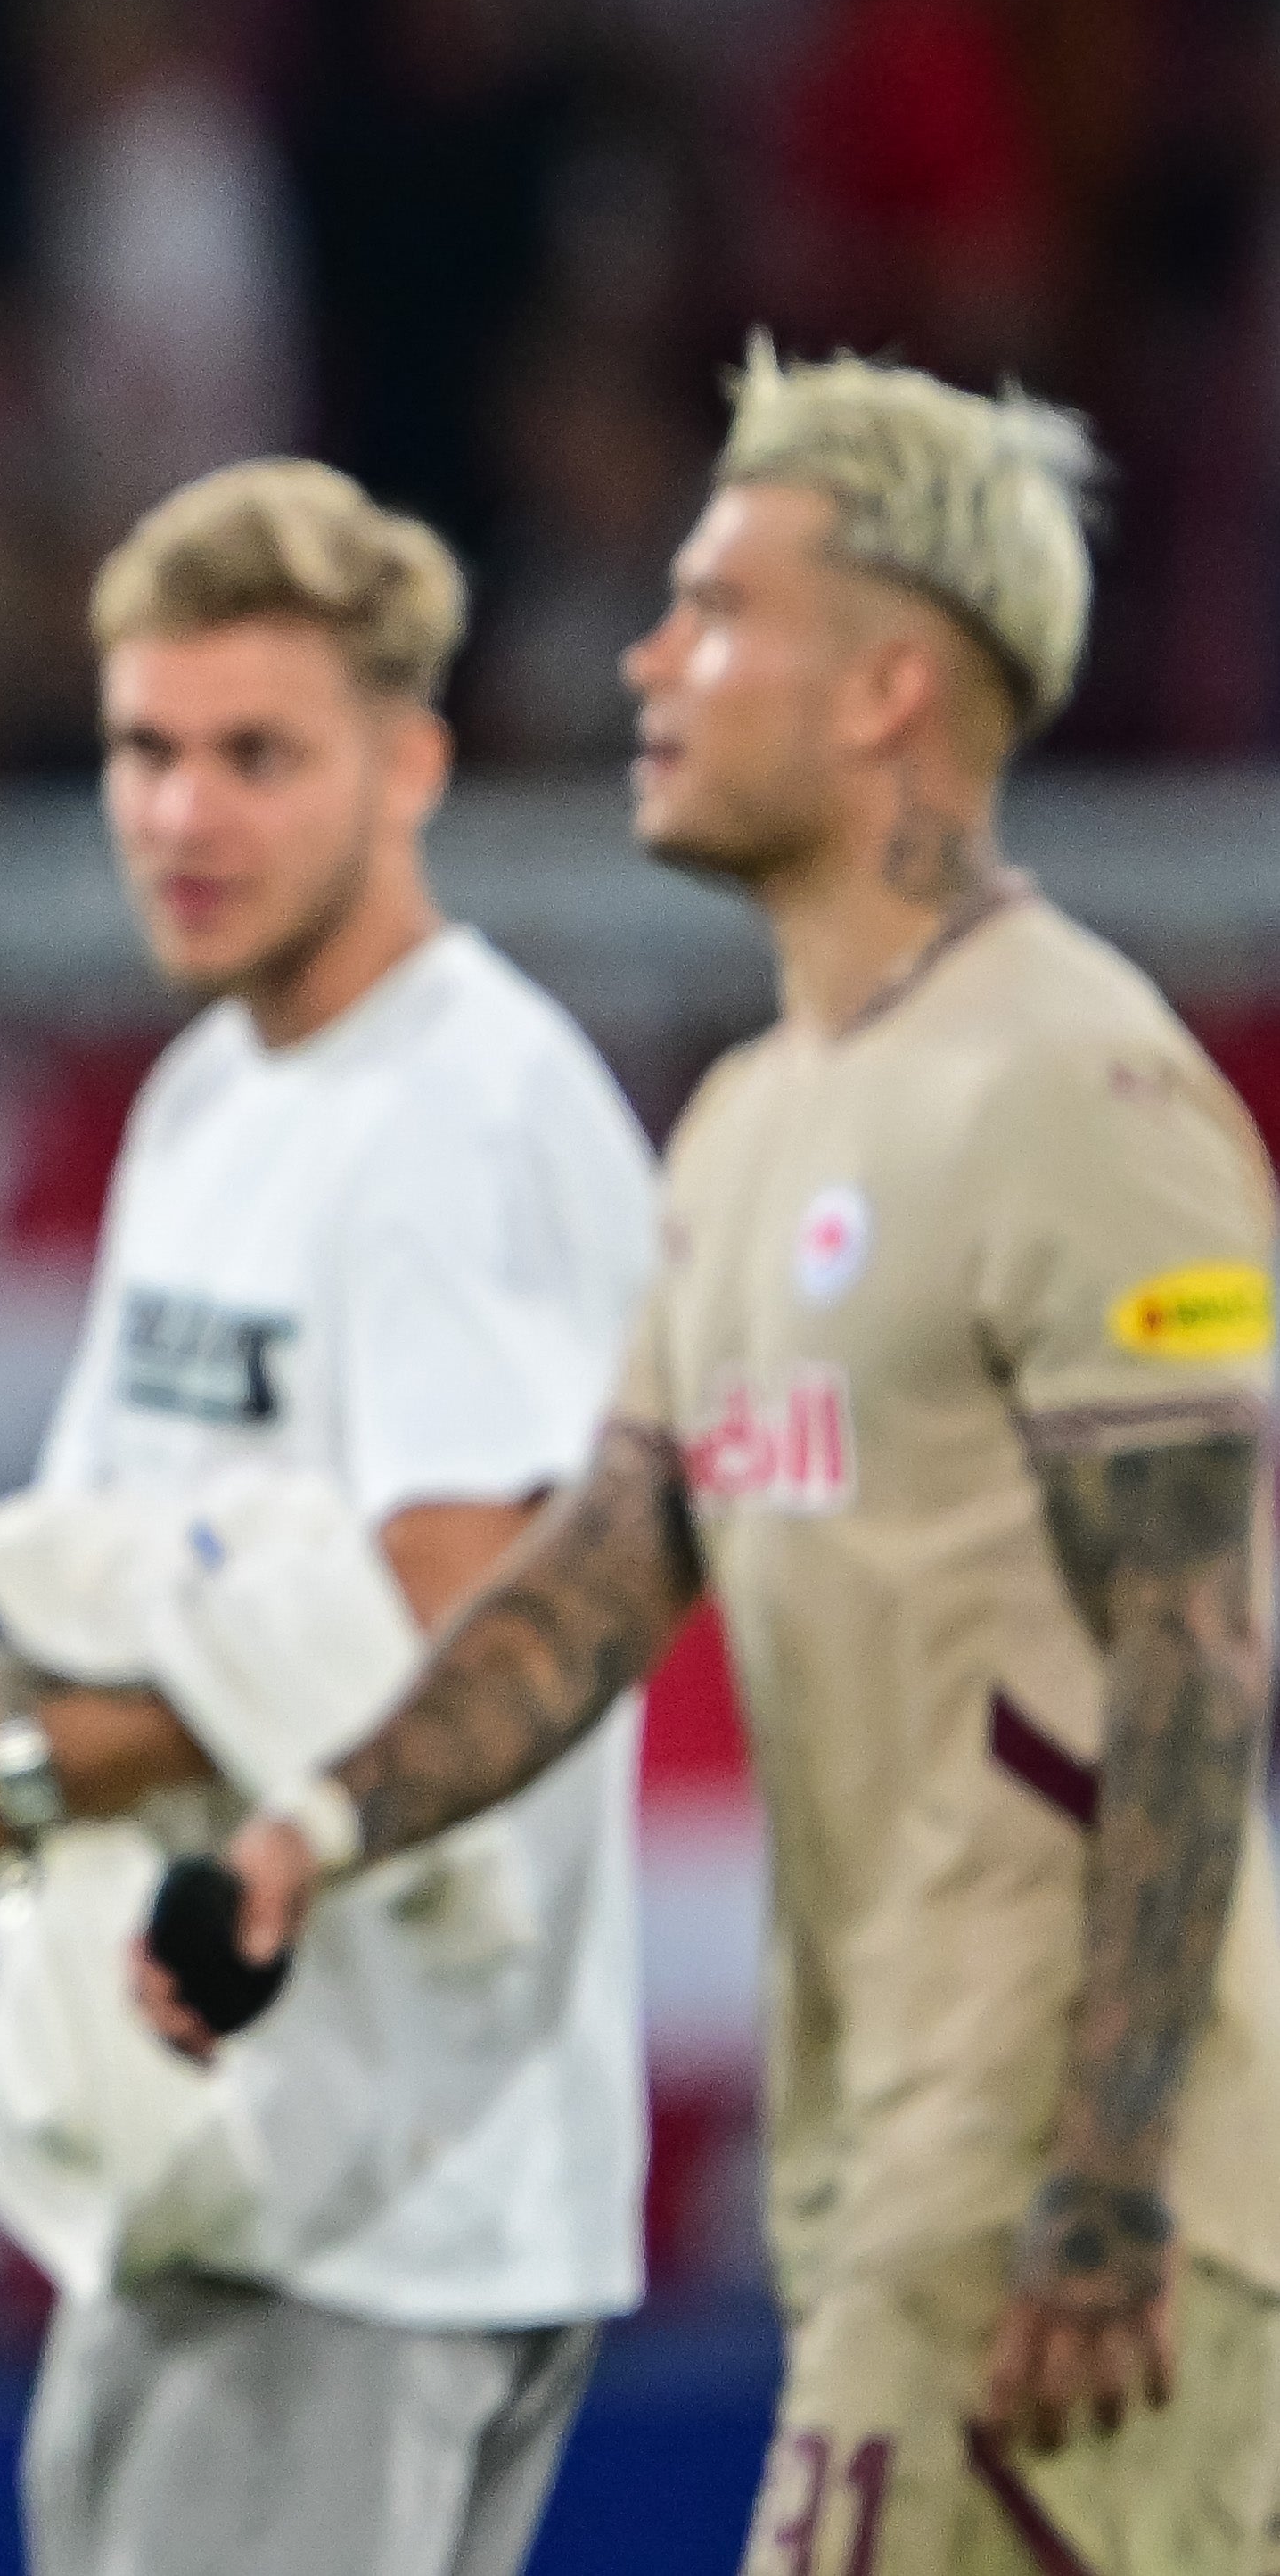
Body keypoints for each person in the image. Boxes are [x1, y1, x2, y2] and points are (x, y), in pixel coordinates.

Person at [175, 345, 1280, 2573]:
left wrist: (1105, 2183)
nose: (645, 657)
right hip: (889, 2157)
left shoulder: (1089, 1092)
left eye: (713, 608)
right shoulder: (753, 1121)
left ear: (886, 689)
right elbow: (604, 1569)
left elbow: (1197, 1645)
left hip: (1075, 2191)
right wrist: (319, 1820)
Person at [0, 459, 658, 2576]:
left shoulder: (462, 1116)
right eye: (145, 748)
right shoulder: (223, 1089)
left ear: (412, 764)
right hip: (231, 2154)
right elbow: (132, 1551)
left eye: (255, 755)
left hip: (377, 2184)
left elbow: (465, 1629)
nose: (182, 812)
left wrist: (17, 1772)